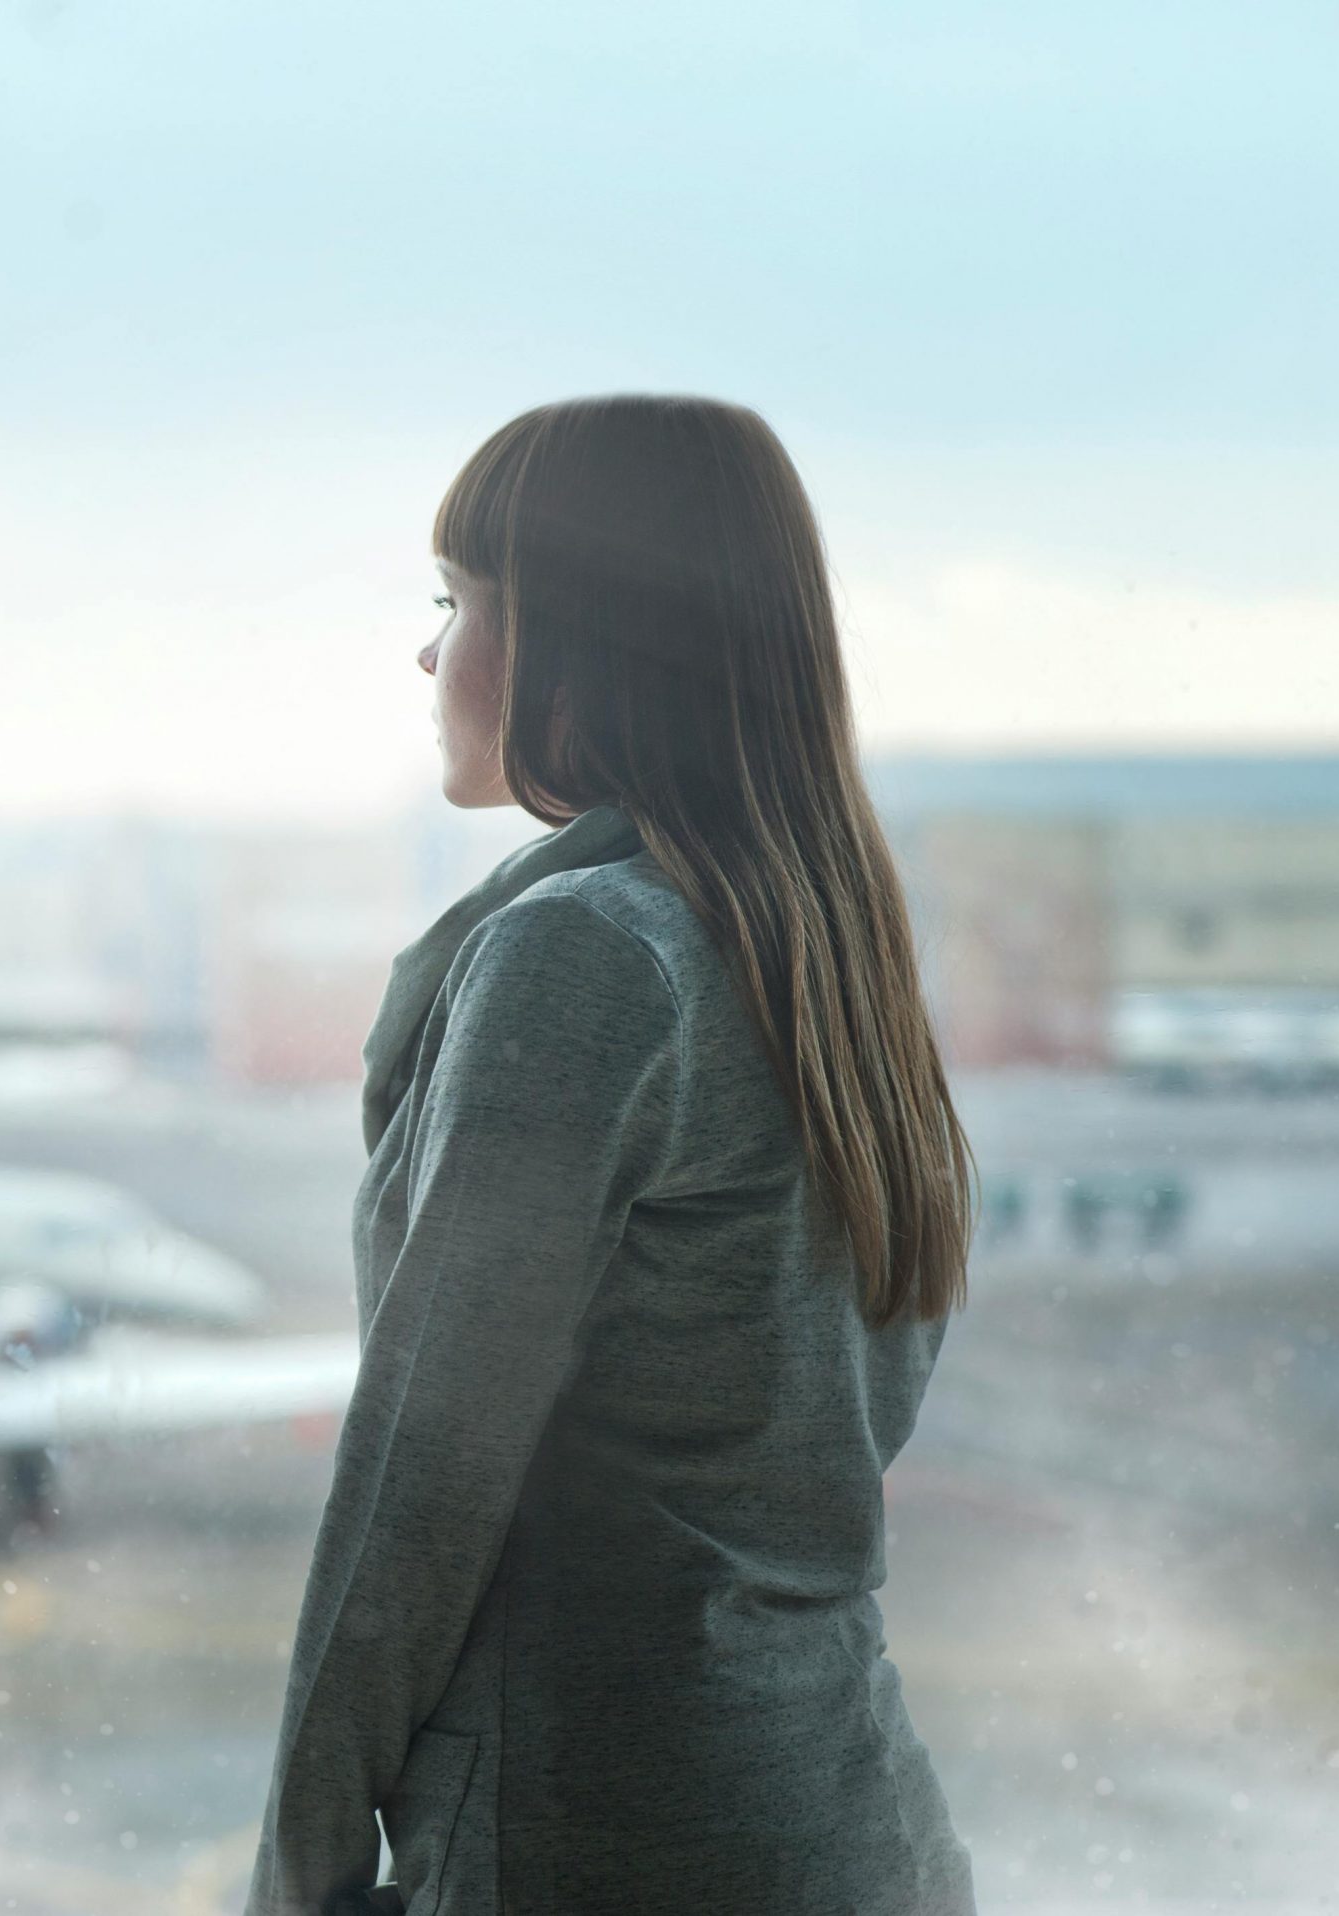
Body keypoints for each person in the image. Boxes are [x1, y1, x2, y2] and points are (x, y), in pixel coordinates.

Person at [244, 395, 979, 1916]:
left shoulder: (583, 957)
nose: (429, 654)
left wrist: (301, 1875)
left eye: (459, 605)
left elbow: (419, 1484)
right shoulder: (818, 950)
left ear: (577, 638)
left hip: (601, 1830)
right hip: (852, 1821)